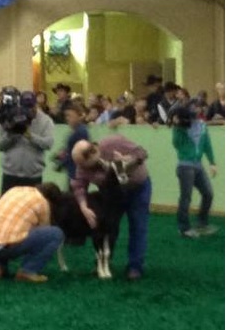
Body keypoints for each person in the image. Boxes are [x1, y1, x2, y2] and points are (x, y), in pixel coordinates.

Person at [71, 136, 151, 280]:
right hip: (111, 194)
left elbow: (142, 153)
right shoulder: (82, 164)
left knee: (138, 226)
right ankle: (103, 263)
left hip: (137, 189)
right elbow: (79, 185)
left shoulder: (113, 143)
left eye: (84, 164)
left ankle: (135, 267)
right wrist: (83, 207)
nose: (82, 168)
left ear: (92, 153)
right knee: (108, 228)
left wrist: (129, 160)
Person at [0, 183, 64, 283]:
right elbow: (44, 229)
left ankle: (0, 268)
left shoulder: (14, 190)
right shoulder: (42, 202)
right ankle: (28, 271)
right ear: (50, 200)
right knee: (55, 233)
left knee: (10, 229)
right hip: (5, 247)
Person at [170, 106, 218, 238]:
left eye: (199, 109)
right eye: (194, 109)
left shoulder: (202, 125)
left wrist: (212, 162)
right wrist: (177, 127)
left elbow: (207, 143)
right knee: (186, 198)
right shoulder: (181, 127)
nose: (197, 111)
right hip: (185, 166)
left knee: (208, 193)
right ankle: (184, 228)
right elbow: (176, 144)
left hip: (198, 165)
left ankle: (202, 223)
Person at [0, 94, 54, 194]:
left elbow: (48, 144)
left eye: (31, 106)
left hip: (33, 176)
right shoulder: (11, 117)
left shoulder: (46, 121)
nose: (29, 110)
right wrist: (12, 134)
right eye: (25, 107)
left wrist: (31, 137)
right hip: (10, 175)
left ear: (36, 105)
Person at [61, 103, 89, 188]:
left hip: (77, 174)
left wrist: (64, 159)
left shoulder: (80, 132)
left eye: (70, 115)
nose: (67, 118)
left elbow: (80, 154)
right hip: (73, 172)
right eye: (66, 116)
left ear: (78, 116)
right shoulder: (77, 131)